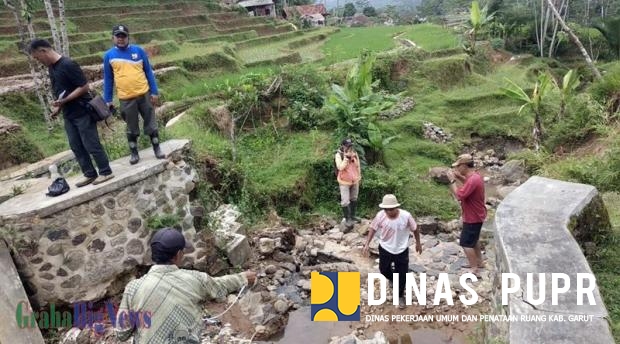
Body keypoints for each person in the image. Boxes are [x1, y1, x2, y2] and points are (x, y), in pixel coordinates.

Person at [115, 228, 257, 343]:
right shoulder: (194, 278)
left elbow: (122, 334)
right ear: (178, 254)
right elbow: (220, 286)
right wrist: (243, 277)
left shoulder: (132, 289)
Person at [29, 39, 114, 188]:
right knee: (76, 145)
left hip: (82, 112)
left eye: (37, 57)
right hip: (69, 114)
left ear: (44, 51)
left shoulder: (68, 64)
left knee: (91, 144)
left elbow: (84, 86)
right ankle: (90, 174)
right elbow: (62, 93)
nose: (38, 61)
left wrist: (65, 100)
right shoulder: (52, 68)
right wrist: (58, 108)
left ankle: (106, 172)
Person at [103, 24, 165, 165]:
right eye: (118, 36)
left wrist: (154, 91)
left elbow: (148, 71)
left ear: (128, 37)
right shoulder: (109, 56)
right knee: (131, 126)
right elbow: (108, 79)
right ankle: (134, 153)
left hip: (144, 94)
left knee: (151, 123)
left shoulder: (139, 51)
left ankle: (157, 149)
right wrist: (108, 99)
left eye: (123, 36)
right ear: (113, 38)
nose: (121, 39)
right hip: (126, 98)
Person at [363, 194, 422, 309]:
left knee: (402, 273)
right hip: (385, 248)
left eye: (391, 209)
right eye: (386, 209)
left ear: (396, 207)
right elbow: (373, 228)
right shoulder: (380, 216)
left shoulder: (406, 216)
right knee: (384, 269)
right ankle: (393, 278)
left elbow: (415, 229)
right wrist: (367, 243)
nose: (388, 212)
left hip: (402, 249)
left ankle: (400, 295)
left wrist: (418, 243)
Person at [446, 154, 487, 277]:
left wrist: (452, 181)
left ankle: (474, 268)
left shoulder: (473, 179)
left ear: (464, 165)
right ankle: (479, 262)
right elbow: (469, 184)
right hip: (477, 215)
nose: (457, 169)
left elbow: (459, 195)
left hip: (473, 216)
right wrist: (459, 177)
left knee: (465, 243)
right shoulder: (475, 177)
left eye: (458, 166)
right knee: (474, 240)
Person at [335, 138, 361, 230]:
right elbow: (340, 167)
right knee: (345, 201)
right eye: (347, 145)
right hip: (344, 181)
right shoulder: (339, 155)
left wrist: (359, 176)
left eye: (350, 145)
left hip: (355, 179)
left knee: (354, 198)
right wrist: (346, 159)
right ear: (343, 145)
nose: (349, 147)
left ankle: (353, 216)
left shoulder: (354, 153)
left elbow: (358, 166)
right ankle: (347, 218)